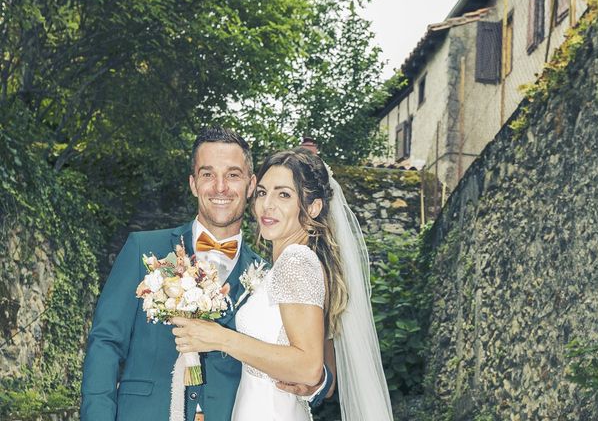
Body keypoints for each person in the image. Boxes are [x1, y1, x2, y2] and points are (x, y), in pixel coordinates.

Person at [80, 127, 328, 421]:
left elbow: (307, 354)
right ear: (193, 183)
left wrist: (317, 381)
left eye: (233, 175)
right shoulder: (143, 249)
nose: (220, 187)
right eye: (208, 174)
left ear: (250, 186)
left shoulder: (269, 273)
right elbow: (105, 344)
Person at [172, 148, 394, 420]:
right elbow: (325, 373)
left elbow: (309, 367)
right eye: (263, 192)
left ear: (312, 207)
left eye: (284, 194)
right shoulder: (291, 265)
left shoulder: (296, 261)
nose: (268, 205)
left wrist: (220, 338)